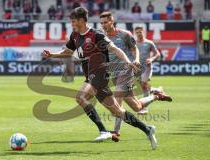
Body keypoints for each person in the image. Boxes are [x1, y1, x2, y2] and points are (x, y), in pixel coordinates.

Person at [42, 7, 158, 149]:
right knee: (117, 111)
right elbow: (67, 52)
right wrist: (52, 55)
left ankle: (103, 131)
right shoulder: (74, 36)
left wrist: (128, 61)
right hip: (91, 76)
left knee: (80, 97)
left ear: (81, 20)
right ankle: (147, 129)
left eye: (73, 21)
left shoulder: (96, 35)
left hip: (100, 74)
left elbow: (115, 49)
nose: (71, 24)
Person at [99, 12, 172, 137]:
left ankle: (116, 132)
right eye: (101, 23)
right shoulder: (102, 38)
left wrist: (136, 59)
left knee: (117, 102)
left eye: (106, 22)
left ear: (112, 21)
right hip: (114, 74)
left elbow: (134, 49)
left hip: (126, 71)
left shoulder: (125, 34)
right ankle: (156, 96)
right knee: (137, 107)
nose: (103, 25)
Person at [134, 26, 168, 114]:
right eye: (137, 32)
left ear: (143, 32)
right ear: (135, 33)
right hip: (137, 68)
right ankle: (157, 90)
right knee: (141, 87)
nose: (138, 34)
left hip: (147, 67)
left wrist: (152, 59)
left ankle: (144, 107)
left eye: (140, 32)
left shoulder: (149, 43)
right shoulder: (133, 43)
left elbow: (157, 54)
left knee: (144, 84)